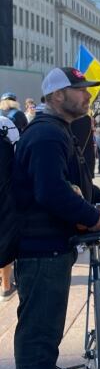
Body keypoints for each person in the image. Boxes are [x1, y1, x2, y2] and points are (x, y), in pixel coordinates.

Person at [11, 67, 100, 369]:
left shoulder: (56, 130)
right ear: (56, 96)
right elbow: (51, 191)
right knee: (39, 322)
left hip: (50, 242)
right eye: (79, 89)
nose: (87, 95)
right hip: (40, 244)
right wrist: (92, 216)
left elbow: (69, 175)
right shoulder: (45, 136)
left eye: (87, 89)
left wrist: (95, 193)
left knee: (48, 318)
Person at [0, 113, 20, 302]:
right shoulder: (5, 123)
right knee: (4, 234)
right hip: (4, 190)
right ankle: (5, 285)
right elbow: (17, 153)